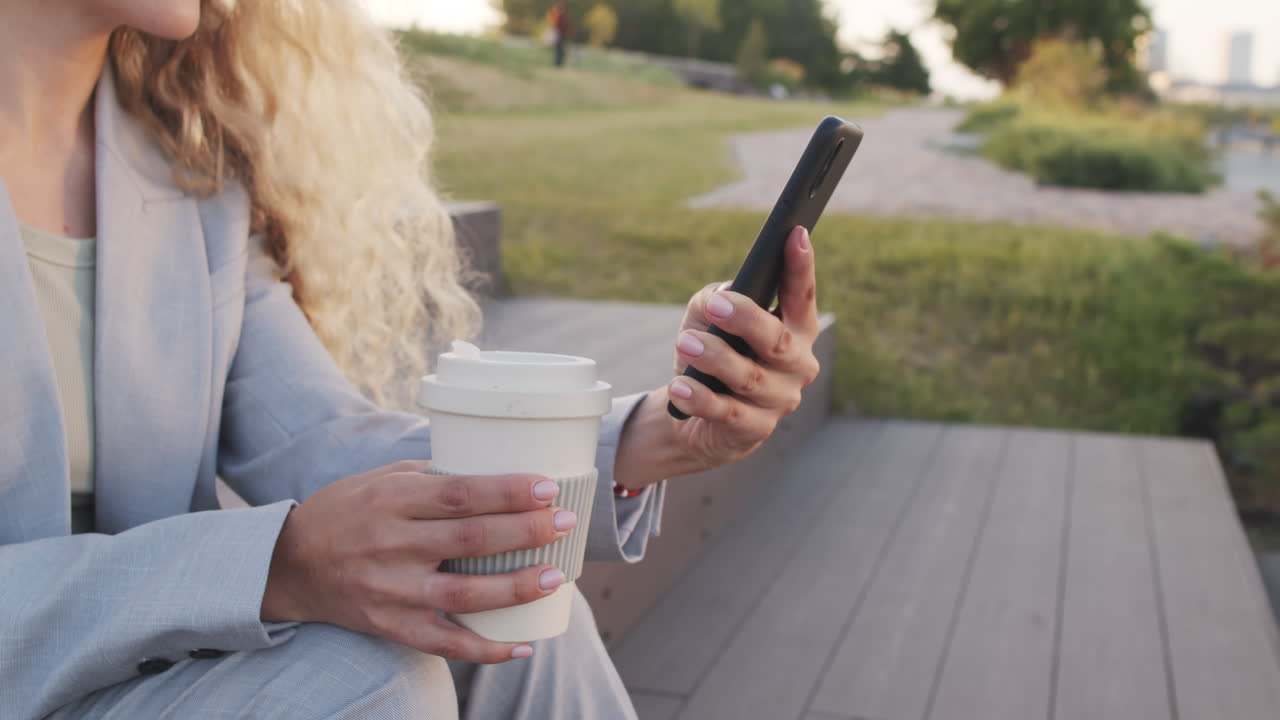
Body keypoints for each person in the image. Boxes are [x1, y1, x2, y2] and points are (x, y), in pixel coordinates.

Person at [0, 1, 823, 718]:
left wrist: (658, 432)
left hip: (135, 678)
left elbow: (323, 439)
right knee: (374, 682)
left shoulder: (189, 182)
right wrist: (271, 567)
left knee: (519, 601)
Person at [547, 2, 573, 68]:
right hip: (559, 35)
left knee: (560, 51)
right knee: (559, 51)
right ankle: (557, 64)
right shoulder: (558, 15)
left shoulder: (561, 15)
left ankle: (558, 64)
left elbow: (566, 26)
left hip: (562, 35)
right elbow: (557, 25)